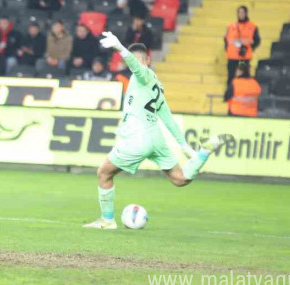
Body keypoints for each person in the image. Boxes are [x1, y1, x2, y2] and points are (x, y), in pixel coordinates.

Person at [83, 34, 226, 229]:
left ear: (147, 61)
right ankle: (204, 152)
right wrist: (184, 146)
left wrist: (120, 48)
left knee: (104, 173)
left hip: (138, 137)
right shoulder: (158, 85)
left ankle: (107, 220)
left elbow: (137, 68)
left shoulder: (143, 75)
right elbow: (167, 118)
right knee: (180, 179)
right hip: (155, 137)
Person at [224, 6, 260, 83]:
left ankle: (243, 93)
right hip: (232, 57)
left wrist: (249, 48)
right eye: (239, 12)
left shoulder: (252, 26)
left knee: (243, 77)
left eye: (242, 12)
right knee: (231, 77)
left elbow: (257, 41)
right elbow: (226, 40)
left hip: (243, 58)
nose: (241, 14)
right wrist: (227, 50)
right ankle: (230, 94)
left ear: (246, 13)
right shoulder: (231, 26)